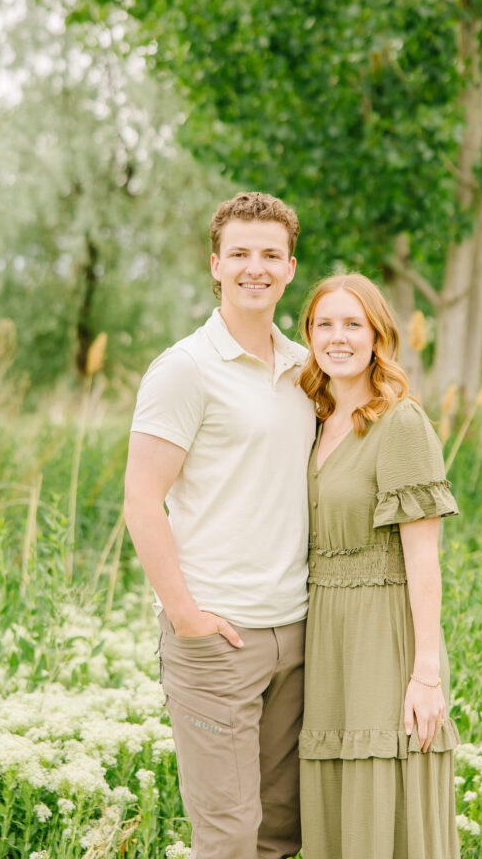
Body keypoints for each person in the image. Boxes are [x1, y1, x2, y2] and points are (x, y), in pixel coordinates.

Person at [123, 192, 315, 859]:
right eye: (239, 254)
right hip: (217, 638)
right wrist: (186, 616)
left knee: (279, 831)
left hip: (296, 630)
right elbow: (142, 500)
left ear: (290, 267)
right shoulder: (184, 369)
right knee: (228, 836)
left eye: (269, 254)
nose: (253, 267)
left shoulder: (304, 369)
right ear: (215, 264)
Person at [297, 273, 461, 859]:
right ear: (309, 335)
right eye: (324, 324)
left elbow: (424, 560)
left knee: (385, 797)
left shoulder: (401, 422)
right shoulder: (312, 421)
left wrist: (426, 674)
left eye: (352, 324)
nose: (337, 337)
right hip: (326, 637)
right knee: (337, 800)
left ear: (377, 335)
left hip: (384, 636)